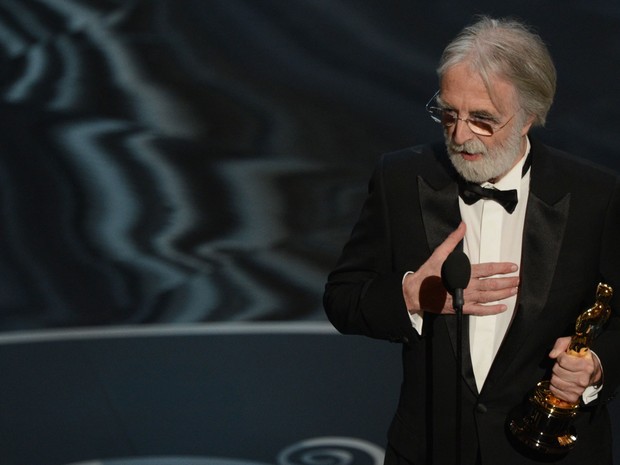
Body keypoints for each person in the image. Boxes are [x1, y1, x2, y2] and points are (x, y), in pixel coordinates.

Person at [323, 16, 620, 465]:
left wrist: (595, 366)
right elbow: (342, 299)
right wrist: (411, 297)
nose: (460, 136)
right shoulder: (401, 180)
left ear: (530, 117)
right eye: (448, 112)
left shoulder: (595, 195)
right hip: (429, 450)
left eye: (482, 119)